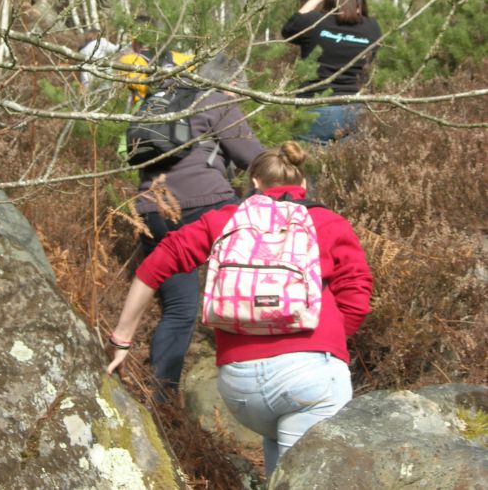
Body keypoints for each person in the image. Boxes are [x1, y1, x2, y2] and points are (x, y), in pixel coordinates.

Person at [107, 140, 372, 478]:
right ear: (303, 183)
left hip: (241, 387)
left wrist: (123, 337)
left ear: (255, 184)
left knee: (279, 471)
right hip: (310, 376)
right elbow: (357, 295)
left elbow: (158, 262)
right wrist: (330, 342)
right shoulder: (330, 222)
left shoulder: (228, 219)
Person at [126, 53, 264, 400]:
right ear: (231, 84)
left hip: (152, 210)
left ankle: (161, 398)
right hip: (207, 205)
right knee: (257, 279)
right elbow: (254, 159)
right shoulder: (217, 98)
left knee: (180, 309)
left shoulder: (159, 103)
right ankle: (259, 374)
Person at [282, 0, 382, 144]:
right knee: (347, 169)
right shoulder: (372, 28)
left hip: (314, 107)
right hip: (355, 110)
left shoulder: (314, 21)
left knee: (308, 167)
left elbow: (288, 30)